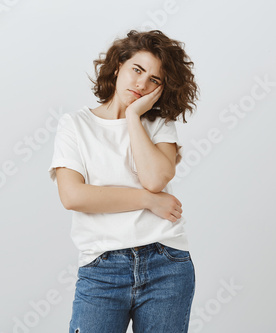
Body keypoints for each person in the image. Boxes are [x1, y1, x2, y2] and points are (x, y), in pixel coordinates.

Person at [48, 29, 199, 333]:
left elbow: (155, 178)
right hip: (102, 269)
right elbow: (73, 196)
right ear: (118, 66)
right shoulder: (75, 125)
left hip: (165, 263)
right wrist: (146, 200)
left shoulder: (158, 125)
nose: (142, 84)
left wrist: (132, 116)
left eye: (154, 80)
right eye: (137, 70)